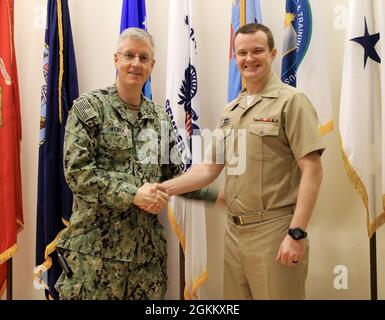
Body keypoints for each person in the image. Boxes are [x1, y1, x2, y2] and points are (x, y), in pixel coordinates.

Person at [158, 23, 324, 300]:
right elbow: (208, 169)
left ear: (272, 53)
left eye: (257, 51)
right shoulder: (230, 111)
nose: (249, 59)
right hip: (234, 234)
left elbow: (313, 170)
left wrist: (297, 234)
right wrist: (165, 188)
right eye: (242, 52)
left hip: (274, 231)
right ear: (235, 57)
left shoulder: (291, 102)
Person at [54, 28, 216, 300]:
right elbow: (78, 174)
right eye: (129, 55)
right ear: (116, 59)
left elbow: (174, 177)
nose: (136, 63)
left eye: (144, 58)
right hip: (95, 261)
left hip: (146, 263)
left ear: (152, 66)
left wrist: (218, 195)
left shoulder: (159, 118)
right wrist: (134, 194)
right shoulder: (90, 108)